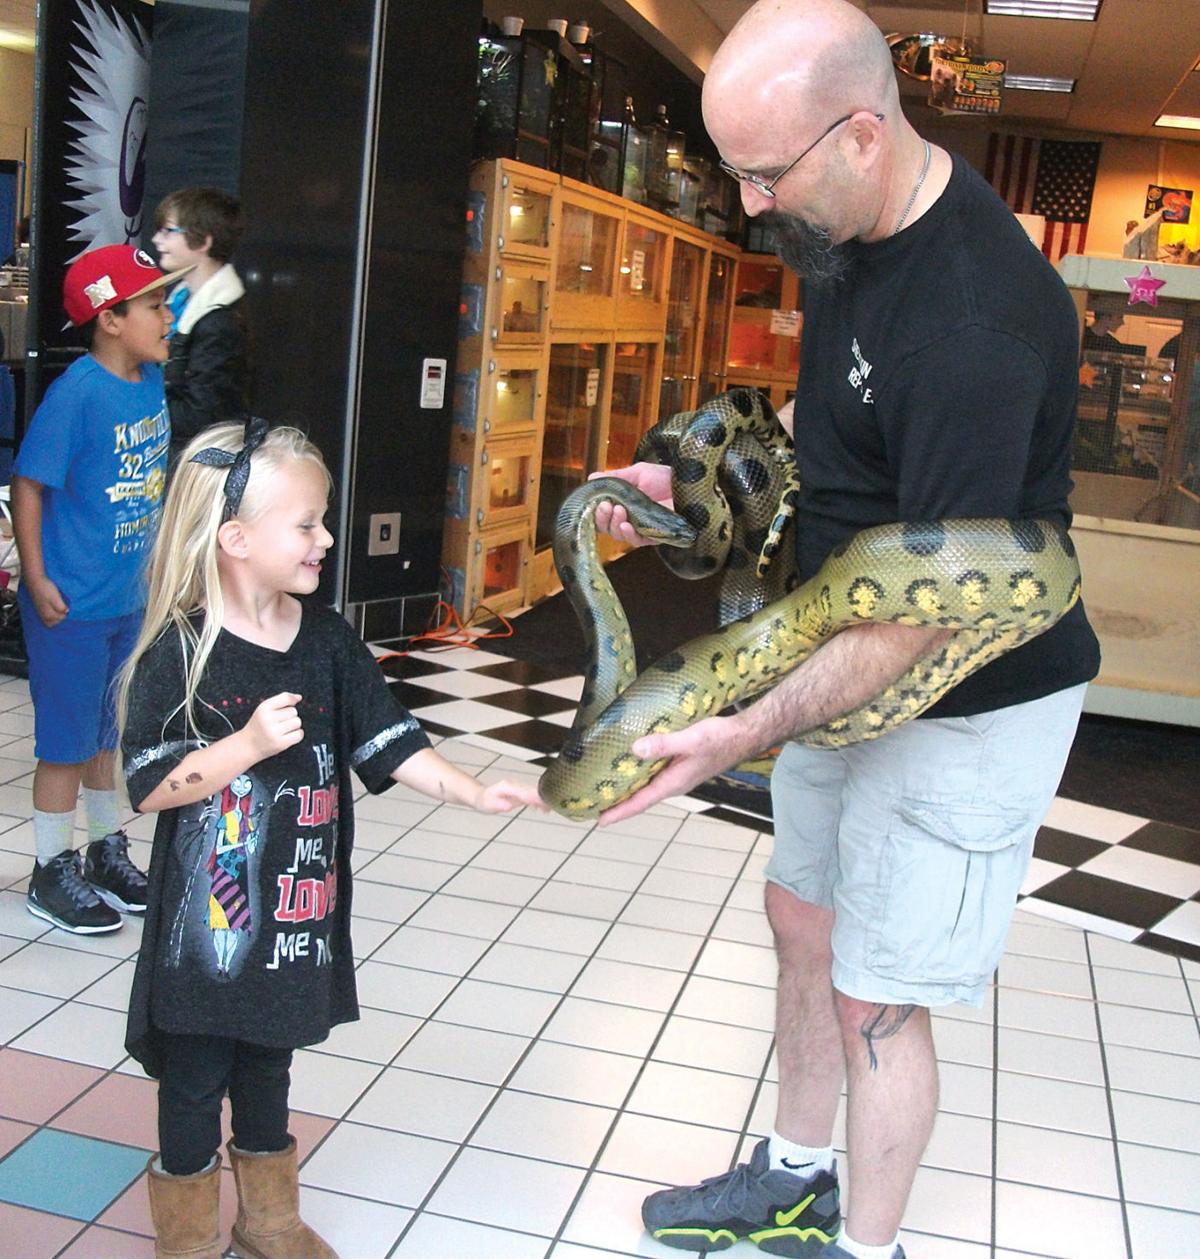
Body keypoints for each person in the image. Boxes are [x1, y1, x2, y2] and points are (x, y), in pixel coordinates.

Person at [592, 2, 1101, 1256]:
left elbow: (932, 621)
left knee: (880, 994)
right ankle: (795, 1172)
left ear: (862, 135)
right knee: (803, 921)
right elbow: (847, 463)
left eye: (768, 174)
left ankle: (859, 1244)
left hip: (971, 688)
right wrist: (701, 489)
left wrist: (743, 730)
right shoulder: (855, 230)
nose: (754, 204)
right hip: (846, 649)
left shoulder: (974, 321)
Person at [116, 419, 544, 1259]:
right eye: (306, 523)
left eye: (324, 519)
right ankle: (189, 1235)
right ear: (236, 539)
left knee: (270, 1066)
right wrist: (244, 746)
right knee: (196, 1079)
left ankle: (269, 1217)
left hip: (292, 922)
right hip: (204, 940)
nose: (327, 538)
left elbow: (386, 737)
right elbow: (148, 788)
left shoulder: (326, 642)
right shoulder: (183, 652)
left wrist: (465, 786)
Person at [14, 244, 190, 935]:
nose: (168, 314)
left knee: (105, 739)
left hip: (126, 600)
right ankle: (50, 869)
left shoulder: (148, 383)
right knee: (65, 741)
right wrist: (35, 575)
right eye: (153, 304)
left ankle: (102, 848)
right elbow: (29, 485)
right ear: (109, 317)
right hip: (73, 603)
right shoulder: (78, 393)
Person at [151, 187, 250, 463]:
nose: (157, 239)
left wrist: (138, 405)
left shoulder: (220, 321)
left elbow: (202, 416)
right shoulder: (183, 300)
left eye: (168, 231)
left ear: (203, 241)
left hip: (196, 464)